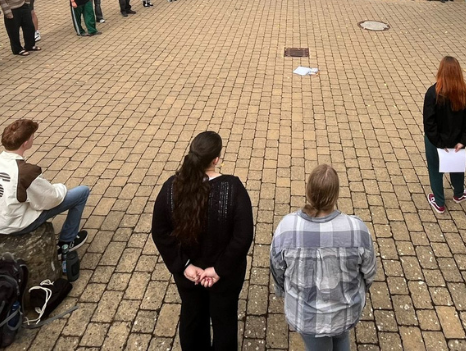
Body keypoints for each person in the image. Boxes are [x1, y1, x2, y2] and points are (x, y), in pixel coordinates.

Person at [151, 131, 254, 350]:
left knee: (192, 318)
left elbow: (160, 232)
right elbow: (243, 237)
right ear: (216, 159)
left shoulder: (171, 187)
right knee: (225, 321)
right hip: (225, 278)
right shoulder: (233, 189)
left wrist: (185, 266)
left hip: (189, 278)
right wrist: (218, 269)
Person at [270, 165, 376, 350]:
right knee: (342, 338)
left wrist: (282, 290)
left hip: (308, 316)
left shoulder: (287, 227)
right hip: (345, 310)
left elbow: (277, 268)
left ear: (308, 192)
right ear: (335, 195)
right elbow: (369, 271)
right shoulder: (357, 229)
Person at [0, 119, 90, 260]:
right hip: (16, 226)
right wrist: (61, 187)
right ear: (25, 143)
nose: (33, 138)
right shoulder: (25, 172)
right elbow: (52, 199)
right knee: (82, 192)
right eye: (32, 136)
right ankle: (67, 242)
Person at [422, 56, 466, 212]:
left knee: (435, 169)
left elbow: (429, 122)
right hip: (458, 141)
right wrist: (463, 141)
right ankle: (459, 193)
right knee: (457, 167)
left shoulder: (433, 93)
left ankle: (439, 202)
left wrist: (439, 143)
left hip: (435, 140)